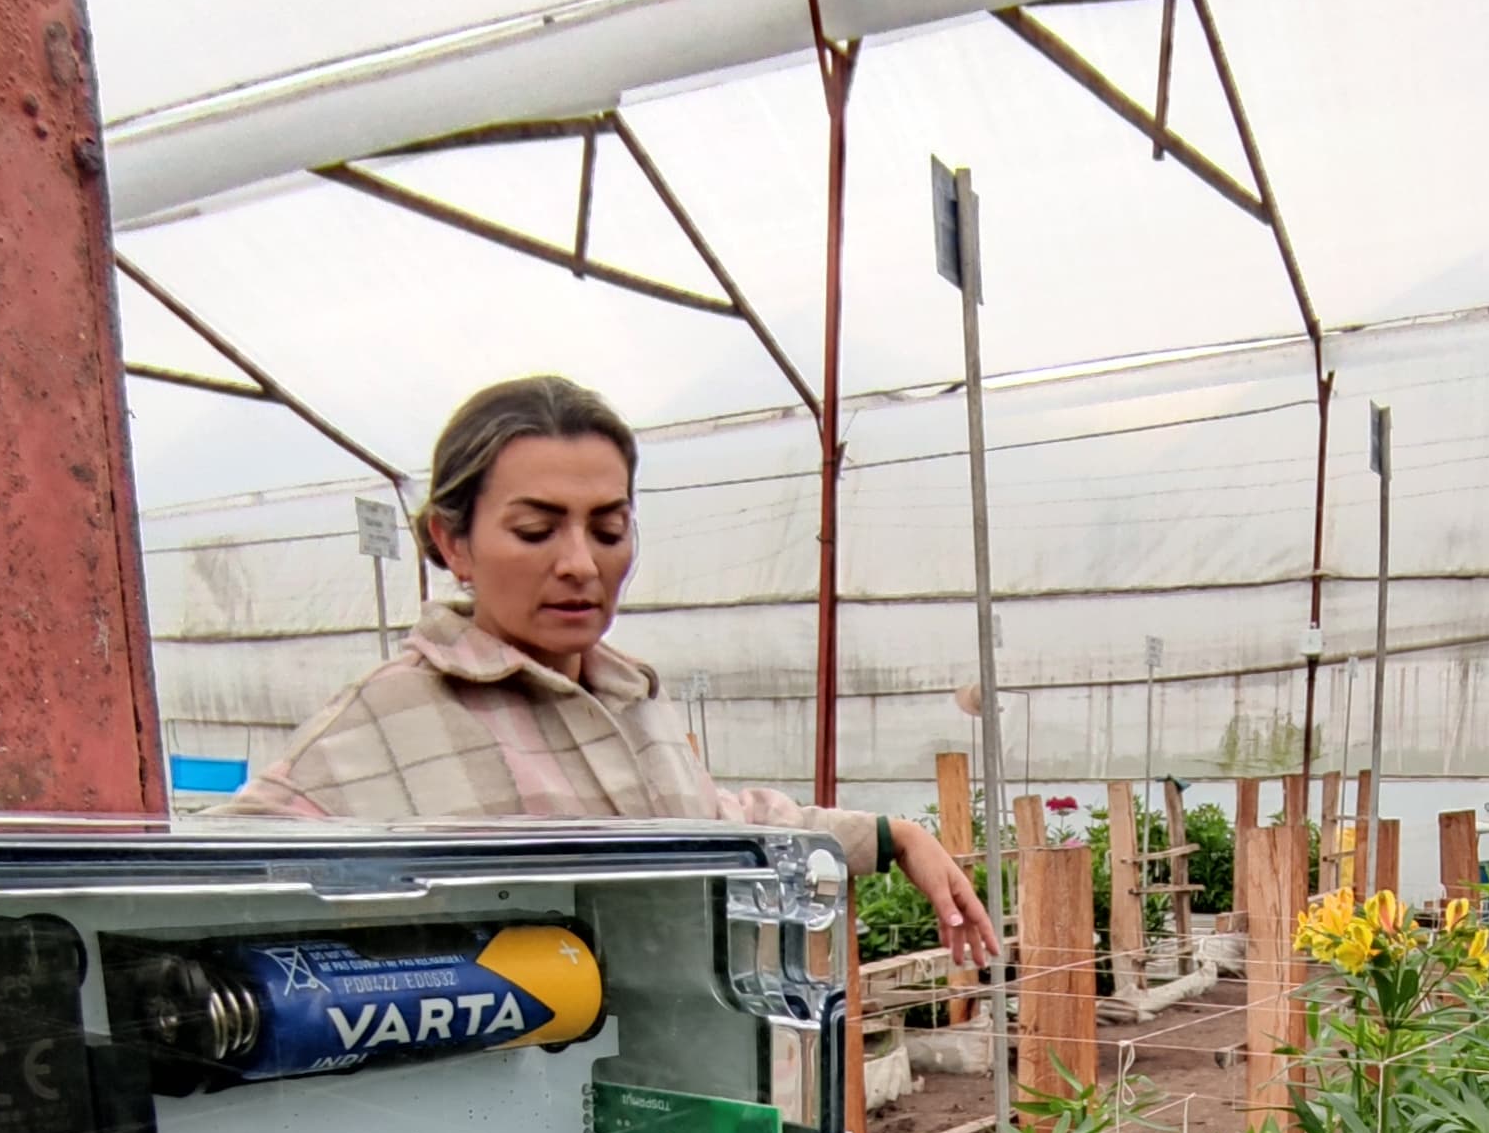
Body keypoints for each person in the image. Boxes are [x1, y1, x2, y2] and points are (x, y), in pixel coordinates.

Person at [231, 371, 999, 967]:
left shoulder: (629, 701)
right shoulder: (392, 717)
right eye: (535, 530)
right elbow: (195, 883)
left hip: (670, 1119)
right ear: (452, 541)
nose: (578, 564)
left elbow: (712, 827)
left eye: (607, 528)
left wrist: (894, 837)